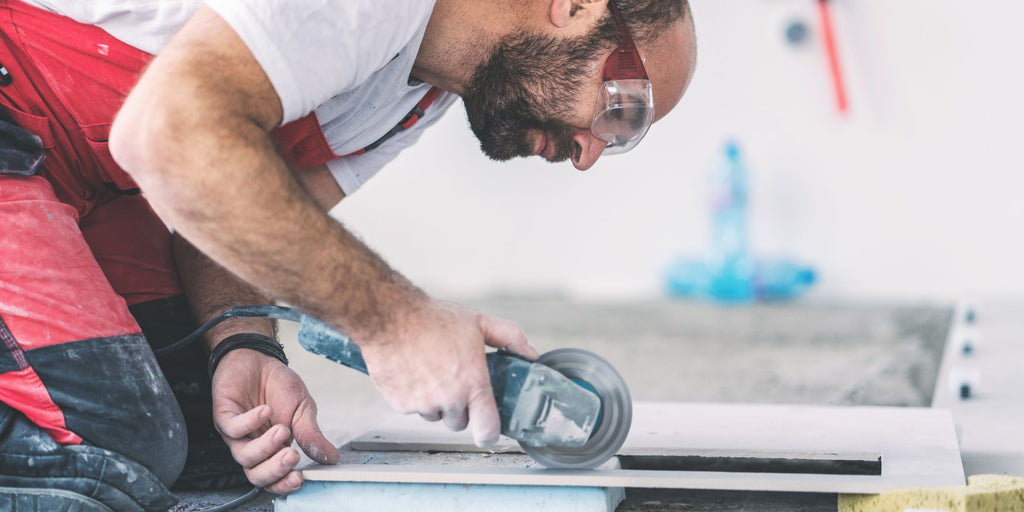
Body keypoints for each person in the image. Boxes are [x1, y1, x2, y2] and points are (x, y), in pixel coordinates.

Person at [0, 0, 696, 509]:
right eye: (622, 109)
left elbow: (237, 198)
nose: (590, 155)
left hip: (84, 179)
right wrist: (395, 323)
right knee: (112, 446)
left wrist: (241, 340)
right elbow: (171, 135)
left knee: (205, 454)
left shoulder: (421, 95)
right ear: (574, 7)